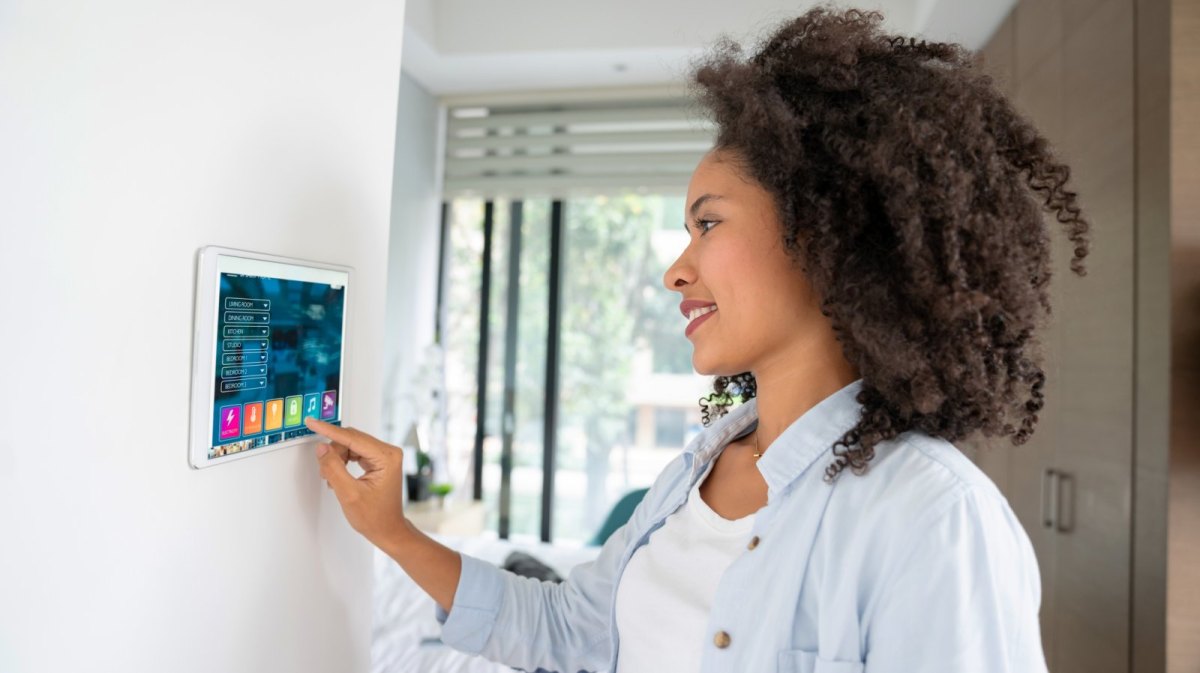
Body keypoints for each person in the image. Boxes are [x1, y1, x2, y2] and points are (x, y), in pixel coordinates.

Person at [305, 7, 1091, 672]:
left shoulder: (934, 519)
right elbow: (571, 629)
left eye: (708, 223)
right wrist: (392, 530)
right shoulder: (698, 468)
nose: (675, 271)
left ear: (824, 234)